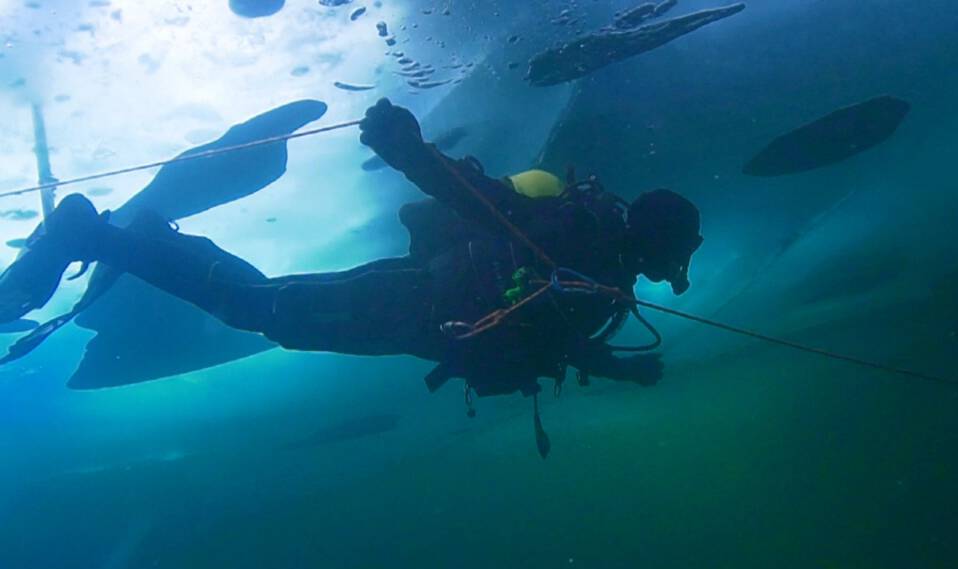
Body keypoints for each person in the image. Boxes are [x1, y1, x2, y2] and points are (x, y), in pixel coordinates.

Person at [0, 99, 703, 398]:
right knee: (259, 307)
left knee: (266, 307)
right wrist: (407, 150)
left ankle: (139, 238)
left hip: (413, 305)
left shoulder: (604, 272)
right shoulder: (587, 240)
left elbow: (550, 334)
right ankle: (90, 231)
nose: (683, 266)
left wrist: (617, 371)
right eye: (686, 250)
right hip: (410, 305)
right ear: (664, 239)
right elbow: (486, 203)